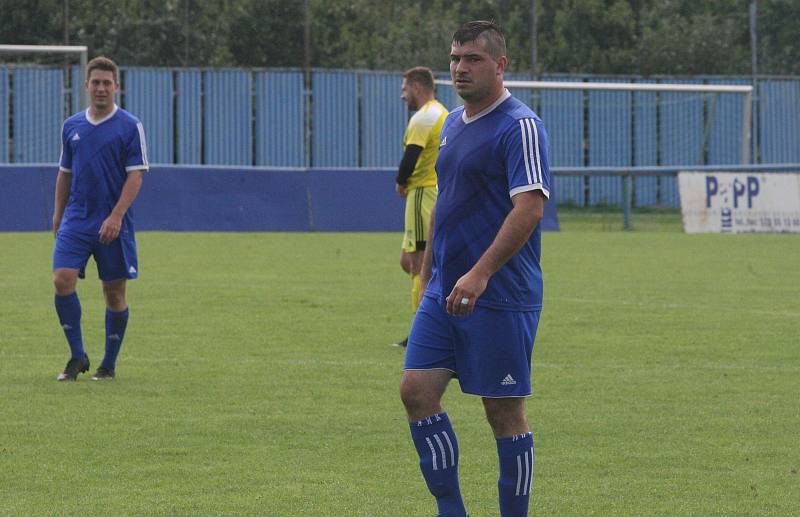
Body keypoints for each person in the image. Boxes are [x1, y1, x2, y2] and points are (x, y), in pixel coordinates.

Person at [399, 20, 551, 517]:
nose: (460, 68)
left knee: (503, 413)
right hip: (446, 288)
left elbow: (528, 208)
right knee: (417, 391)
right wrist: (429, 264)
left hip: (500, 292)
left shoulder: (520, 125)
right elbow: (449, 200)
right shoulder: (453, 125)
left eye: (473, 59)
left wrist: (482, 272)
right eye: (455, 58)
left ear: (500, 65)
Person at [52, 56, 148, 381]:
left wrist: (116, 215)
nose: (102, 88)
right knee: (61, 279)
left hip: (113, 223)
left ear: (117, 87)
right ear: (87, 86)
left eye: (108, 83)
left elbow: (136, 176)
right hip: (77, 220)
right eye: (96, 82)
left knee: (114, 293)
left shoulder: (130, 126)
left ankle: (108, 365)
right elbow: (64, 174)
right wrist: (57, 215)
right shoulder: (71, 126)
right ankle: (77, 356)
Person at [394, 67, 448, 348]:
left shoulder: (424, 116)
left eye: (404, 89)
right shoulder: (441, 112)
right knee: (409, 260)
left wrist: (401, 182)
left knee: (418, 263)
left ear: (417, 86)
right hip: (430, 192)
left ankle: (420, 330)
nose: (403, 96)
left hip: (422, 193)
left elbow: (411, 155)